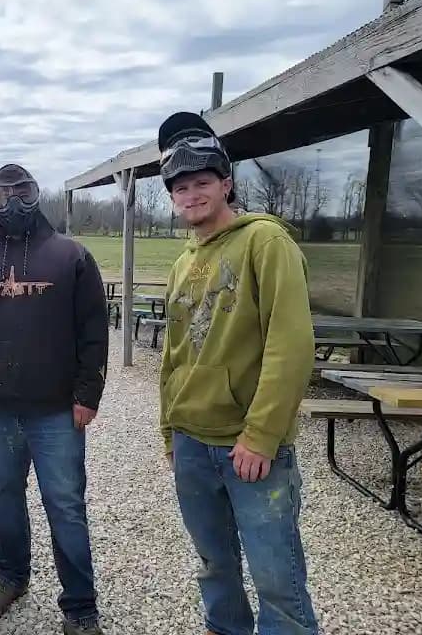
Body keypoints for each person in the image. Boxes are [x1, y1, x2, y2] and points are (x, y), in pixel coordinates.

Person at [157, 112, 319, 635]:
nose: (191, 194)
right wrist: (170, 431)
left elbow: (291, 346)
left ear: (226, 184)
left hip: (247, 446)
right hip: (191, 442)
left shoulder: (265, 243)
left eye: (202, 182)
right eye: (180, 187)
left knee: (277, 577)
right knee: (214, 564)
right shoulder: (183, 263)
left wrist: (262, 435)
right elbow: (174, 355)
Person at [0, 164, 109, 635]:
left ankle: (80, 606)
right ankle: (12, 577)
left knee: (66, 505)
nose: (14, 201)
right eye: (4, 194)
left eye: (23, 191)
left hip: (57, 410)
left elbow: (94, 331)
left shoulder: (71, 256)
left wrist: (88, 394)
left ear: (37, 196)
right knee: (5, 498)